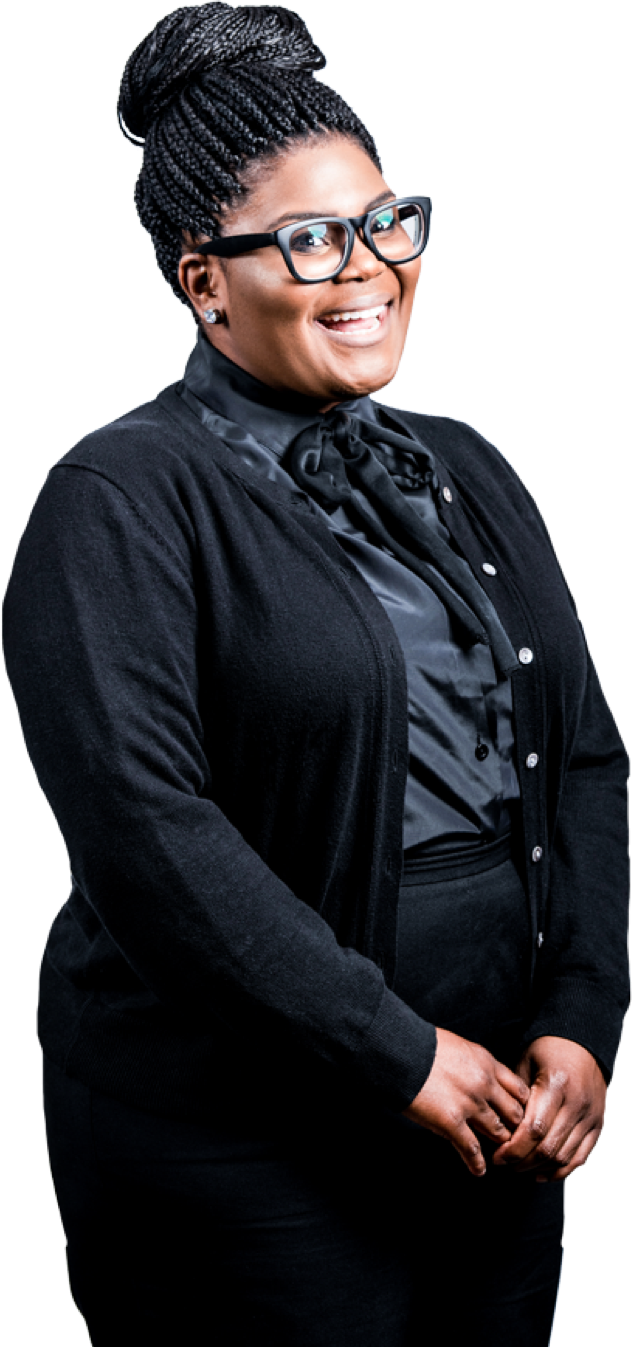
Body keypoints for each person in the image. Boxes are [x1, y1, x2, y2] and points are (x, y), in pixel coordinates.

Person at [3, 4, 629, 1344]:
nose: (372, 267)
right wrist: (395, 1052)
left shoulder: (466, 461)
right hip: (235, 1148)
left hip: (500, 1120)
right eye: (310, 239)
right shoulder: (118, 496)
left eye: (388, 221)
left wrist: (581, 1017)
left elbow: (583, 751)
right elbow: (148, 837)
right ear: (204, 283)